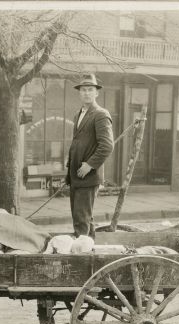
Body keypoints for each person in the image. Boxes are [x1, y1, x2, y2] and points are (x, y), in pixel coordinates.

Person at [65, 74, 114, 239]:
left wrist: (90, 165)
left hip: (88, 176)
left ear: (96, 93)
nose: (86, 93)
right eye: (83, 90)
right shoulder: (78, 114)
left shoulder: (100, 114)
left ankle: (81, 257)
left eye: (90, 90)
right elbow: (78, 142)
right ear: (79, 93)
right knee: (85, 219)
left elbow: (107, 145)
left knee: (81, 220)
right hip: (76, 175)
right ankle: (90, 253)